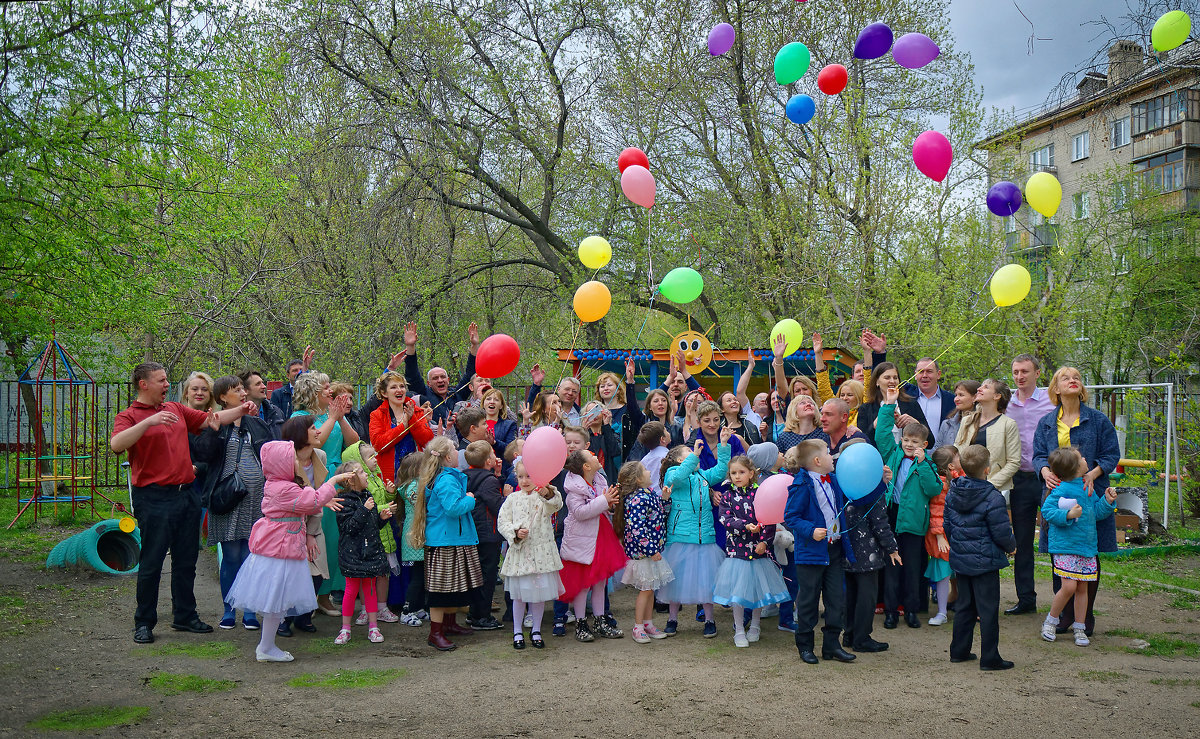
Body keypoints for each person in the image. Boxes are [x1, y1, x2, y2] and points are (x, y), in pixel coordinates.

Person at [111, 362, 255, 644]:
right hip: (153, 498)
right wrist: (148, 422)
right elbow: (117, 444)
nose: (167, 385)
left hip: (186, 494)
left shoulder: (175, 409)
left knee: (187, 559)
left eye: (167, 380)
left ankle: (185, 616)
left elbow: (208, 419)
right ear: (144, 384)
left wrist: (241, 410)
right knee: (152, 561)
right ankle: (144, 622)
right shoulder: (128, 416)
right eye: (161, 380)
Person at [224, 440, 353, 662]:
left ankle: (267, 646)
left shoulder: (279, 484)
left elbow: (309, 502)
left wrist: (322, 500)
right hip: (280, 552)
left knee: (277, 603)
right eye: (292, 458)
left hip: (281, 550)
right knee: (276, 601)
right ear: (281, 464)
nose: (297, 461)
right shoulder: (285, 488)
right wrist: (332, 480)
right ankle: (266, 647)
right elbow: (312, 500)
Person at [1032, 366, 1120, 637]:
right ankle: (1064, 615)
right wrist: (1045, 472)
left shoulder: (1098, 420)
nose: (1072, 380)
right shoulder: (1047, 421)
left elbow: (1111, 454)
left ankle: (1085, 615)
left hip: (1089, 493)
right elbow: (1037, 457)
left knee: (1087, 552)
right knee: (1062, 552)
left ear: (1081, 388)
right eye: (1065, 378)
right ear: (1055, 389)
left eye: (1077, 378)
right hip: (1057, 495)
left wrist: (1092, 474)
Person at [202, 375, 272, 632]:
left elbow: (270, 455)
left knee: (251, 556)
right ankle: (229, 608)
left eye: (243, 389)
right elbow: (205, 455)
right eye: (235, 390)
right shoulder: (216, 422)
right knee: (232, 556)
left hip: (256, 501)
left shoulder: (257, 423)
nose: (243, 393)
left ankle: (250, 610)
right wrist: (212, 431)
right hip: (226, 500)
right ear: (222, 397)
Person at [292, 371, 360, 613]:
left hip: (337, 477)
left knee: (334, 539)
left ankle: (325, 595)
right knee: (317, 537)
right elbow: (315, 443)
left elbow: (353, 442)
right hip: (314, 478)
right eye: (326, 387)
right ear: (313, 392)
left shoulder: (333, 415)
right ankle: (308, 596)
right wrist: (332, 417)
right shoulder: (299, 417)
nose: (331, 391)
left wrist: (340, 418)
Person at [783, 439, 856, 665]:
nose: (832, 456)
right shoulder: (802, 484)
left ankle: (832, 645)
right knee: (808, 600)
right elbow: (791, 517)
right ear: (817, 461)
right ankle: (805, 646)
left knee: (836, 599)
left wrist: (881, 482)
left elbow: (857, 495)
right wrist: (811, 530)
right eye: (828, 453)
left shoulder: (834, 480)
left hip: (834, 550)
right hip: (811, 552)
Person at [944, 445, 1016, 671]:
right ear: (987, 469)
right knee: (987, 610)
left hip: (962, 559)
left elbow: (947, 524)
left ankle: (959, 650)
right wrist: (1011, 546)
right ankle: (990, 657)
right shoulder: (992, 497)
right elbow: (1001, 530)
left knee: (964, 606)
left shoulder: (953, 492)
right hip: (985, 562)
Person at [876, 386, 941, 630]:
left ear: (924, 444)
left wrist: (923, 464)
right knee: (892, 566)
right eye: (906, 440)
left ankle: (912, 610)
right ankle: (891, 611)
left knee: (913, 568)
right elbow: (882, 433)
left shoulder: (928, 464)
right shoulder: (892, 454)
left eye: (915, 442)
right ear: (901, 439)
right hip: (892, 516)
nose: (909, 445)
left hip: (914, 522)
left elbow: (933, 489)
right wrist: (889, 404)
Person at [1039, 447, 1118, 647]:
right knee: (1069, 586)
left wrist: (1107, 501)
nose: (1085, 458)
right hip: (1065, 547)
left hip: (1086, 547)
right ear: (1074, 468)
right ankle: (1051, 621)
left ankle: (1080, 627)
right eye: (1081, 458)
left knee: (1083, 587)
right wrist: (1067, 515)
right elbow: (1047, 512)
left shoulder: (1086, 486)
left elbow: (1095, 513)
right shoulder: (1061, 489)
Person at [411, 435, 483, 651]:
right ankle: (436, 633)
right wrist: (470, 498)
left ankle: (449, 625)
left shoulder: (443, 476)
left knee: (453, 587)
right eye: (454, 448)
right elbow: (453, 508)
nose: (457, 451)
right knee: (440, 591)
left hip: (451, 539)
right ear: (447, 456)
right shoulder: (446, 479)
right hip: (446, 541)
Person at [658, 429, 732, 637]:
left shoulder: (702, 476)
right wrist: (695, 456)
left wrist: (723, 445)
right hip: (681, 538)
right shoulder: (673, 474)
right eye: (688, 453)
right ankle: (672, 619)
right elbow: (680, 475)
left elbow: (720, 471)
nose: (694, 454)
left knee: (706, 581)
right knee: (676, 581)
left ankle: (710, 619)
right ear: (679, 459)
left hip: (705, 538)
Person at [712, 455, 790, 648]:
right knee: (737, 594)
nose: (737, 476)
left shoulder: (759, 493)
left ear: (751, 473)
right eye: (733, 473)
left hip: (758, 552)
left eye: (741, 472)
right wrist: (745, 526)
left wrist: (764, 541)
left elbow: (770, 519)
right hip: (736, 553)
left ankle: (755, 626)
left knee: (757, 592)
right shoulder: (728, 496)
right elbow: (725, 520)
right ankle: (739, 629)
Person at [1004, 353, 1056, 615]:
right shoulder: (1007, 402)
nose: (1019, 377)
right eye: (1015, 372)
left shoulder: (1050, 399)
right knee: (1022, 542)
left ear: (1037, 373)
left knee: (1056, 538)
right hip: (1020, 479)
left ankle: (1063, 600)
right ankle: (1026, 599)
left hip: (1050, 477)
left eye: (1024, 372)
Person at [559, 450, 627, 642]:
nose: (597, 457)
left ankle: (600, 620)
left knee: (600, 582)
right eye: (592, 456)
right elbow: (580, 512)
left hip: (601, 536)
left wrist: (610, 504)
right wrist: (604, 501)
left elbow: (603, 506)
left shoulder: (599, 480)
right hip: (582, 541)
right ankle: (580, 623)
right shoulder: (574, 489)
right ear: (586, 466)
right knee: (582, 584)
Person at [497, 459, 565, 649]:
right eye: (520, 476)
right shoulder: (512, 499)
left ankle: (536, 629)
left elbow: (556, 504)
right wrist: (515, 532)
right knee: (519, 596)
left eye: (529, 476)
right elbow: (502, 522)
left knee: (539, 594)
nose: (525, 480)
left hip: (541, 554)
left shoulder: (542, 496)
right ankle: (517, 631)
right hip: (521, 554)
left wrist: (547, 492)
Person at [275, 416, 333, 636]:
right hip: (290, 525)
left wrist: (310, 533)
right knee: (292, 575)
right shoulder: (286, 460)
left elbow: (318, 495)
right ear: (300, 435)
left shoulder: (320, 456)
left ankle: (303, 615)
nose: (318, 431)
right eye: (312, 428)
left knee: (317, 573)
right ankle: (284, 618)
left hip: (313, 521)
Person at [332, 461, 396, 645]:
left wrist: (381, 518)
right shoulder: (344, 501)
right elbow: (349, 528)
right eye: (362, 472)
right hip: (352, 555)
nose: (367, 474)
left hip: (371, 553)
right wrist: (364, 509)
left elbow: (371, 526)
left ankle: (373, 627)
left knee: (369, 589)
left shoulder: (367, 496)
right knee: (351, 591)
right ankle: (345, 629)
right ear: (351, 481)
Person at [840, 456, 900, 653]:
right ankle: (862, 638)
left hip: (846, 550)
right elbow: (880, 522)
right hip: (869, 553)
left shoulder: (841, 485)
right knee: (867, 596)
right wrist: (891, 548)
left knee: (851, 594)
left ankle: (849, 634)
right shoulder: (873, 490)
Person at [341, 442, 402, 623]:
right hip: (368, 538)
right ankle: (366, 609)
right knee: (365, 575)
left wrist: (390, 494)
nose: (375, 459)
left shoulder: (375, 477)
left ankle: (382, 607)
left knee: (383, 573)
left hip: (384, 533)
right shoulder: (360, 487)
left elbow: (378, 503)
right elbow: (365, 509)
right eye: (370, 457)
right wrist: (386, 507)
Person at [614, 461, 673, 644]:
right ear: (639, 479)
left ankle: (648, 623)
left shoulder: (649, 494)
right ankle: (638, 626)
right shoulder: (638, 499)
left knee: (650, 589)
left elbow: (659, 515)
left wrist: (664, 499)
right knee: (646, 590)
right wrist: (651, 549)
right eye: (646, 470)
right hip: (643, 553)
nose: (649, 471)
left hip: (651, 550)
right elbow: (636, 528)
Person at [401, 321, 479, 425]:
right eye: (435, 378)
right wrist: (410, 346)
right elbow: (412, 375)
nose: (440, 380)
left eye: (443, 377)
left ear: (448, 380)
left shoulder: (457, 395)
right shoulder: (424, 395)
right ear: (429, 383)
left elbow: (470, 374)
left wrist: (474, 345)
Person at [955, 378, 1022, 498]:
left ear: (997, 396)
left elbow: (1014, 462)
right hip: (965, 487)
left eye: (986, 387)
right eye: (980, 386)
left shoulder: (1008, 424)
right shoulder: (967, 421)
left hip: (993, 490)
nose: (979, 389)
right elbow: (957, 452)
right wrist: (960, 480)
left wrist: (990, 485)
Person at [464, 440, 505, 631]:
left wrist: (497, 475)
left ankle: (474, 613)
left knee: (475, 575)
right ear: (488, 460)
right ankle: (482, 616)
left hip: (473, 532)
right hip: (488, 534)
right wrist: (506, 496)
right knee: (487, 577)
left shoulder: (465, 476)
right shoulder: (489, 481)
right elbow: (498, 506)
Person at [367, 371, 434, 486]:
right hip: (389, 478)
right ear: (384, 393)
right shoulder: (377, 415)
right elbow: (378, 445)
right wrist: (403, 427)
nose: (399, 390)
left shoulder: (416, 411)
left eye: (402, 386)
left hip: (417, 475)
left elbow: (428, 441)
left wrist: (412, 418)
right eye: (393, 387)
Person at [928, 446, 962, 626]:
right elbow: (936, 511)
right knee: (943, 574)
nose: (960, 458)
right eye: (957, 456)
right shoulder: (940, 485)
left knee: (959, 573)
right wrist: (940, 535)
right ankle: (942, 612)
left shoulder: (960, 479)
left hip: (958, 535)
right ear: (950, 465)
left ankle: (963, 606)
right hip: (943, 538)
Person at [857, 362, 929, 447]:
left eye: (895, 378)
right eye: (887, 377)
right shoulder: (866, 408)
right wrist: (875, 425)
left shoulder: (911, 404)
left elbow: (930, 441)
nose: (892, 381)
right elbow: (861, 443)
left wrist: (916, 424)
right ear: (877, 382)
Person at [395, 452, 429, 627]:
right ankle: (407, 610)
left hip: (416, 533)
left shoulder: (411, 485)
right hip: (415, 535)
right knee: (417, 576)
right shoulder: (414, 487)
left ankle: (418, 607)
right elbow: (424, 503)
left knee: (422, 574)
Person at [909, 358, 956, 439]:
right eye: (921, 372)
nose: (924, 375)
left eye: (929, 371)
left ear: (938, 374)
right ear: (915, 375)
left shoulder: (952, 401)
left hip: (941, 451)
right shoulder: (906, 398)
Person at [934, 380, 981, 450]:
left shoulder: (982, 423)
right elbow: (936, 450)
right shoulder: (947, 424)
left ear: (974, 398)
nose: (956, 399)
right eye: (956, 395)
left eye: (961, 395)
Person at [239, 369, 285, 438]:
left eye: (262, 383)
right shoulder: (238, 417)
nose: (264, 386)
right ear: (245, 391)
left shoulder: (276, 412)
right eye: (258, 384)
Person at [270, 347, 313, 419]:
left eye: (301, 370)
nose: (299, 373)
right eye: (295, 370)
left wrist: (305, 370)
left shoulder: (311, 391)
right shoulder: (278, 394)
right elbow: (275, 419)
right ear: (288, 375)